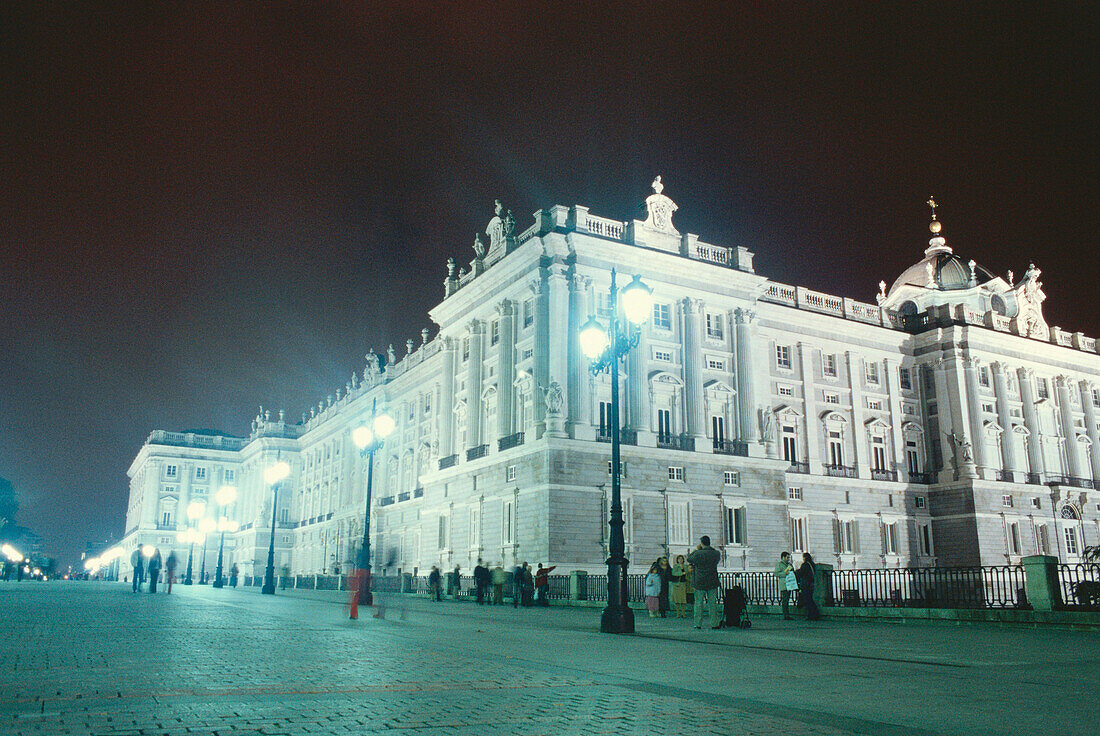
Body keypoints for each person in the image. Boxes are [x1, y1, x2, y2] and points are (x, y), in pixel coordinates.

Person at [686, 536, 721, 629]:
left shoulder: (698, 553)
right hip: (712, 581)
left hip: (699, 581)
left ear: (701, 543)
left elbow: (689, 559)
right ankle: (714, 623)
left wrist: (696, 550)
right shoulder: (716, 553)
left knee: (698, 603)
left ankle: (698, 623)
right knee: (712, 603)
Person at [797, 552, 821, 621]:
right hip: (811, 584)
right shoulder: (812, 564)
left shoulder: (805, 565)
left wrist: (797, 572)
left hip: (806, 584)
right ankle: (815, 614)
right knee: (810, 599)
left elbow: (801, 573)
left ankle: (812, 615)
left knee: (808, 600)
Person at [774, 552, 795, 620]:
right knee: (785, 600)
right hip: (784, 584)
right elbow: (776, 573)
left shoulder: (789, 564)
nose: (788, 559)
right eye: (787, 557)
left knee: (787, 599)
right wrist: (784, 573)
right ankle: (786, 615)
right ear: (783, 557)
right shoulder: (779, 564)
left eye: (789, 557)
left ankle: (787, 614)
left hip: (789, 584)